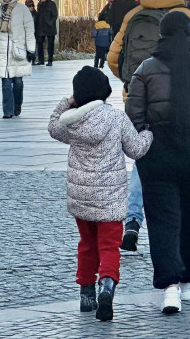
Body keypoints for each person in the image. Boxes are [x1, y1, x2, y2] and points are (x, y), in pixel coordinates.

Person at [125, 11, 190, 315]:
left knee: (162, 220)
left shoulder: (145, 70)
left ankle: (169, 288)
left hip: (157, 152)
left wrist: (143, 145)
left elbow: (133, 115)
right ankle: (188, 276)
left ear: (162, 34)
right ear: (189, 35)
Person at [107, 0, 190, 254]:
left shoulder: (134, 14)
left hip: (135, 99)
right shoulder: (185, 16)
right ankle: (172, 228)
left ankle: (133, 221)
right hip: (176, 100)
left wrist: (133, 83)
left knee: (143, 158)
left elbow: (114, 58)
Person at [48, 66, 153, 322]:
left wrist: (68, 102)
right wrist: (148, 133)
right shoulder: (116, 118)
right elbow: (137, 150)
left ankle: (86, 294)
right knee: (109, 246)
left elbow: (53, 126)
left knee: (86, 244)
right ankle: (106, 286)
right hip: (110, 199)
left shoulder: (71, 121)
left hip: (81, 197)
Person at [0, 0, 36, 119]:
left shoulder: (22, 10)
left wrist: (31, 49)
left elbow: (29, 30)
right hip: (2, 50)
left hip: (18, 50)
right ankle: (7, 111)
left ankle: (17, 105)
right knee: (5, 82)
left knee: (18, 82)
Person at [36, 0, 59, 66]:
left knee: (50, 45)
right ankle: (41, 60)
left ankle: (50, 60)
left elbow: (55, 15)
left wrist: (50, 22)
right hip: (41, 27)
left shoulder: (51, 4)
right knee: (39, 44)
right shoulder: (39, 5)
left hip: (50, 27)